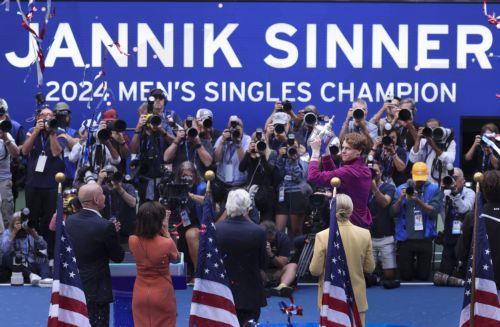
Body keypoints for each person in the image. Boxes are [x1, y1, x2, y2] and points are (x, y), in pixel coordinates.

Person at [309, 193, 375, 327]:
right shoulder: (365, 234)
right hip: (357, 299)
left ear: (331, 209)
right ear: (351, 210)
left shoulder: (322, 236)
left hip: (331, 299)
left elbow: (315, 270)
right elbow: (370, 268)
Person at [66, 183, 124, 327]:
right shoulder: (105, 226)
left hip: (75, 287)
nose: (105, 196)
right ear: (96, 199)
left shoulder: (70, 221)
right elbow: (118, 257)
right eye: (103, 194)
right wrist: (113, 235)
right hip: (97, 291)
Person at [216, 189, 267, 325]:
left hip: (223, 291)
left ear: (227, 206)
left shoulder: (216, 229)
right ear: (248, 207)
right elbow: (263, 264)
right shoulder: (258, 232)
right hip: (249, 293)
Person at [22, 107, 67, 258]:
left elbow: (56, 152)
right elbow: (25, 151)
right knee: (32, 218)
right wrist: (36, 131)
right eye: (44, 115)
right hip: (33, 183)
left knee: (50, 219)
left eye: (50, 115)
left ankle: (50, 253)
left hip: (52, 184)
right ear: (38, 118)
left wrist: (52, 131)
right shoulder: (31, 131)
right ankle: (32, 251)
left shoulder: (59, 132)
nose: (47, 117)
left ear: (54, 117)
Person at [129, 201, 179, 327]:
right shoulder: (167, 243)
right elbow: (177, 259)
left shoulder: (132, 240)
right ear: (159, 221)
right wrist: (166, 232)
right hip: (162, 294)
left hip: (139, 294)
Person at [308, 132, 373, 229]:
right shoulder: (362, 168)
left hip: (350, 225)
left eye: (348, 148)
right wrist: (325, 151)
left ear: (359, 151)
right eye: (343, 147)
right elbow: (336, 176)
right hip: (358, 223)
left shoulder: (349, 172)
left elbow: (313, 176)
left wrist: (315, 152)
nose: (343, 151)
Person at [391, 162, 443, 281]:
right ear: (411, 174)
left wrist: (417, 200)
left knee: (423, 276)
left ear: (427, 175)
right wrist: (400, 199)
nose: (419, 182)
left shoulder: (434, 189)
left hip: (425, 238)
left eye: (421, 179)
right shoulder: (401, 189)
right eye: (417, 179)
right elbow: (393, 212)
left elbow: (434, 212)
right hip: (405, 239)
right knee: (406, 276)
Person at [457, 170, 500, 290]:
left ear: (483, 190)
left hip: (483, 280)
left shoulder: (473, 217)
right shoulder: (473, 216)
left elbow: (461, 252)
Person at [434, 167, 474, 286]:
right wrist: (441, 190)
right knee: (443, 274)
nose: (453, 180)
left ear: (463, 180)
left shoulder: (470, 192)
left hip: (464, 238)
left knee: (462, 274)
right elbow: (435, 209)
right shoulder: (445, 192)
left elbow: (465, 208)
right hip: (449, 237)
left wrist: (455, 194)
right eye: (451, 178)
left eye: (455, 178)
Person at [368, 161, 399, 288]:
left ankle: (380, 274)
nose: (372, 174)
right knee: (367, 275)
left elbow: (385, 203)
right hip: (368, 237)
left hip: (386, 237)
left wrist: (374, 188)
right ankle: (375, 276)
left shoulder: (389, 187)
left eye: (375, 171)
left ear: (380, 172)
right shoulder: (362, 188)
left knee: (389, 277)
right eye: (369, 171)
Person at [1, 211, 52, 286]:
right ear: (13, 224)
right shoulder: (8, 232)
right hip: (17, 264)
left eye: (23, 222)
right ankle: (30, 275)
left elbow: (44, 246)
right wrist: (14, 232)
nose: (21, 225)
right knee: (6, 257)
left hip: (30, 262)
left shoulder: (29, 231)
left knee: (43, 258)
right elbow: (4, 249)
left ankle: (45, 279)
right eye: (19, 223)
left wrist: (34, 234)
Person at [239, 131, 278, 222]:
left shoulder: (272, 153)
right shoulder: (250, 153)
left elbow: (269, 171)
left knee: (266, 222)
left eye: (263, 140)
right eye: (257, 141)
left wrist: (262, 156)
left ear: (267, 141)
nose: (260, 143)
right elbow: (241, 168)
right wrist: (248, 153)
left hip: (266, 194)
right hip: (251, 192)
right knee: (251, 220)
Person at [213, 116, 251, 203]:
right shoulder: (222, 138)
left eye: (238, 127)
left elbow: (244, 164)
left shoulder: (247, 139)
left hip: (239, 185)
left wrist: (238, 144)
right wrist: (222, 141)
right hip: (222, 183)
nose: (235, 130)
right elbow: (216, 159)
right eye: (232, 127)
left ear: (242, 128)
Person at [97, 165, 137, 244]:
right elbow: (90, 196)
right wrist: (99, 180)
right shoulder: (102, 188)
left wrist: (119, 188)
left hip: (126, 231)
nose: (110, 182)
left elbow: (133, 203)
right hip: (107, 229)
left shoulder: (128, 187)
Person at [409, 118, 456, 184]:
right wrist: (418, 139)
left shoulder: (449, 143)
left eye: (434, 129)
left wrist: (433, 145)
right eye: (430, 129)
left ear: (440, 129)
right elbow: (413, 159)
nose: (432, 132)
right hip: (425, 182)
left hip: (440, 182)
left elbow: (449, 160)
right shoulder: (423, 142)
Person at [260, 220, 297, 297]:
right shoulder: (255, 238)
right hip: (262, 271)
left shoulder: (283, 238)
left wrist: (270, 254)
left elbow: (283, 264)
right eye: (266, 239)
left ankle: (281, 287)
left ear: (275, 233)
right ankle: (260, 287)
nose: (268, 241)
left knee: (293, 266)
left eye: (270, 239)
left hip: (278, 272)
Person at [0, 120, 19, 231]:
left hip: (3, 180)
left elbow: (16, 153)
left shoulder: (5, 134)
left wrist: (5, 139)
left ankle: (8, 244)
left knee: (7, 214)